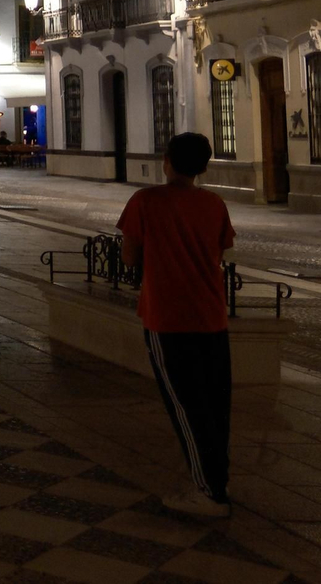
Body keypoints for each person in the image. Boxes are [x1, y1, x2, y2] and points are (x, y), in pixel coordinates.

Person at [118, 133, 235, 518]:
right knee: (215, 404)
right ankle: (217, 480)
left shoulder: (146, 201)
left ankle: (209, 492)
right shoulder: (214, 203)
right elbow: (219, 250)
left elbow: (129, 256)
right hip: (211, 315)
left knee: (186, 406)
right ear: (204, 166)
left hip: (168, 317)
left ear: (167, 161)